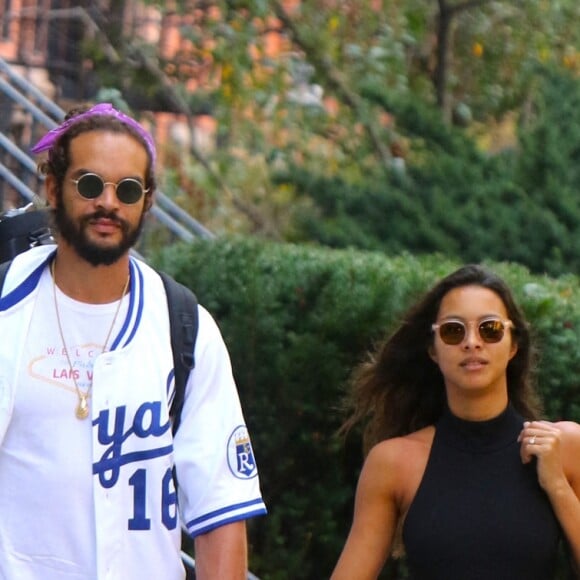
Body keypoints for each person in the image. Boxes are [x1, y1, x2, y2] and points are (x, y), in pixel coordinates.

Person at [0, 103, 267, 579]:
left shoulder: (184, 328)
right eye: (88, 184)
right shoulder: (6, 308)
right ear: (52, 189)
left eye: (127, 189)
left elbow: (221, 512)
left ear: (146, 201)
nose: (108, 203)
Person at [331, 264, 580, 580]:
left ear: (513, 344)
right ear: (432, 349)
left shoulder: (565, 447)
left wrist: (558, 486)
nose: (472, 342)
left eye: (490, 329)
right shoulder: (394, 463)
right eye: (453, 330)